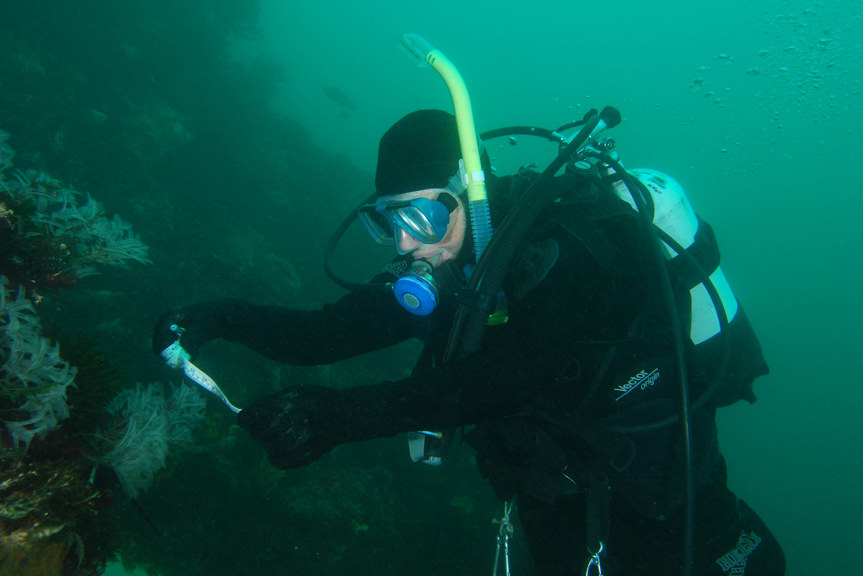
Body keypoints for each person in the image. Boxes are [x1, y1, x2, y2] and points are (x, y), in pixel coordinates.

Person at [153, 109, 785, 575]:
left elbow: (510, 376)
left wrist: (336, 417)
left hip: (659, 495)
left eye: (422, 217)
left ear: (470, 190)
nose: (405, 244)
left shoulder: (569, 254)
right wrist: (215, 317)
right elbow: (323, 335)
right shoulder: (449, 270)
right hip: (551, 497)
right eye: (387, 221)